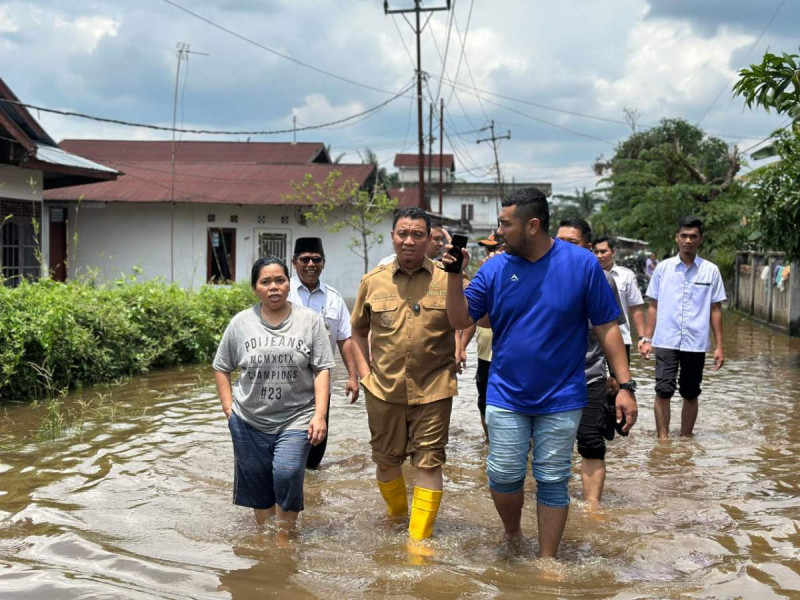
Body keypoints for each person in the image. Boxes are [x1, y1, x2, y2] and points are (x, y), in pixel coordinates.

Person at [444, 188, 638, 558]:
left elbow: (607, 326)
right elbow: (459, 318)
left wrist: (625, 385)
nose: (498, 231)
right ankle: (513, 532)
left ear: (532, 225)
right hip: (506, 394)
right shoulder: (496, 268)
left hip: (563, 396)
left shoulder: (581, 265)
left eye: (505, 223)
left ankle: (547, 559)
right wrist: (455, 276)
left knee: (552, 480)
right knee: (503, 476)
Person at [350, 207, 461, 553]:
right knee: (386, 460)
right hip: (383, 390)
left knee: (430, 461)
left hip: (435, 388)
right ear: (393, 236)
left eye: (417, 234)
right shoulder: (373, 280)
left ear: (430, 239)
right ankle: (397, 517)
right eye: (402, 233)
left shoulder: (448, 278)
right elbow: (357, 331)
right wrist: (365, 374)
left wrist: (458, 275)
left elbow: (461, 321)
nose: (409, 240)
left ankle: (418, 542)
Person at [213, 256, 335, 536]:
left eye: (279, 280)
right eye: (265, 282)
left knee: (287, 471)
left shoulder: (310, 322)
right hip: (249, 420)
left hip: (296, 417)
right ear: (255, 288)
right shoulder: (241, 323)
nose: (273, 287)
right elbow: (221, 367)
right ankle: (266, 536)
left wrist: (319, 415)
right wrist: (229, 408)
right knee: (258, 484)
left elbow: (322, 369)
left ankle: (285, 537)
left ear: (288, 284)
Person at [557, 220, 626, 511]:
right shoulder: (540, 274)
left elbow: (612, 333)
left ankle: (593, 508)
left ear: (587, 247)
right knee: (550, 448)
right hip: (550, 378)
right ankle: (553, 502)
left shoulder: (602, 280)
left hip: (590, 374)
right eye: (558, 240)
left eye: (571, 242)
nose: (562, 247)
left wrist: (621, 382)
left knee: (591, 441)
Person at [640, 217, 725, 439]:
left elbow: (715, 309)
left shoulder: (711, 271)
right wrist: (647, 338)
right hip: (666, 340)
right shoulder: (663, 269)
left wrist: (719, 347)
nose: (688, 240)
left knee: (690, 392)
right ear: (677, 238)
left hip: (695, 343)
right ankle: (663, 441)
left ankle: (686, 439)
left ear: (700, 239)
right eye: (684, 236)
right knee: (663, 390)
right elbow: (653, 306)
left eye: (693, 236)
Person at [288, 237, 360, 469]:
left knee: (316, 445)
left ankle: (311, 493)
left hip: (321, 383)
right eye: (305, 259)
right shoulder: (282, 292)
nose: (311, 264)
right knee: (285, 441)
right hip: (286, 382)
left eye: (316, 259)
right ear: (294, 262)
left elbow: (344, 339)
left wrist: (352, 376)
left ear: (323, 263)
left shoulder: (333, 298)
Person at [593, 235, 647, 365]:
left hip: (620, 338)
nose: (600, 256)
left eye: (603, 251)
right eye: (596, 252)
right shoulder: (586, 273)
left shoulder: (626, 275)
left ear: (613, 252)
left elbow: (635, 307)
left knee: (621, 381)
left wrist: (642, 337)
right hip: (592, 341)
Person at [474, 233, 504, 440]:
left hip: (508, 355)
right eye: (488, 250)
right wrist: (459, 348)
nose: (490, 254)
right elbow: (470, 316)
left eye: (495, 249)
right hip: (485, 354)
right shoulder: (483, 275)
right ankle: (488, 442)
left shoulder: (516, 274)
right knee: (483, 401)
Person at [378, 222, 448, 265]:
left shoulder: (441, 268)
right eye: (436, 239)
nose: (441, 244)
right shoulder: (387, 264)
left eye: (441, 239)